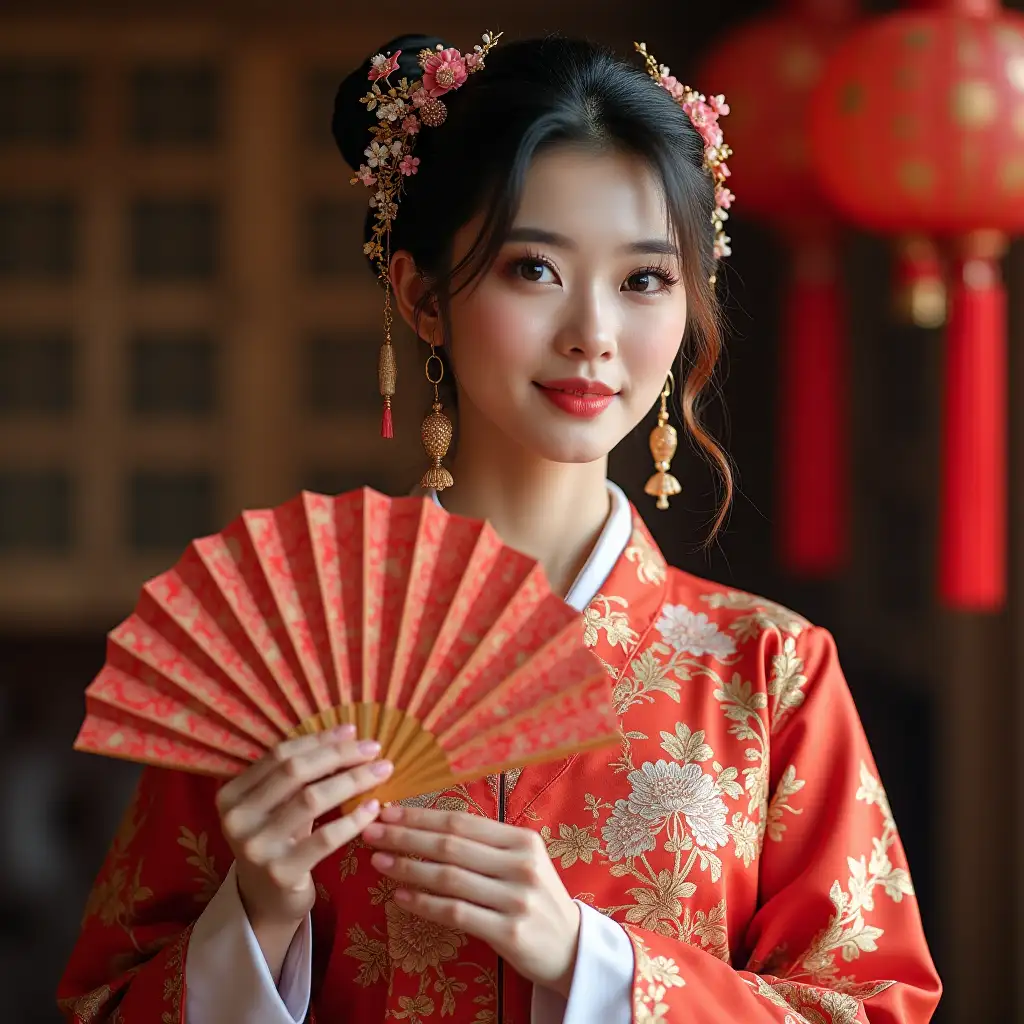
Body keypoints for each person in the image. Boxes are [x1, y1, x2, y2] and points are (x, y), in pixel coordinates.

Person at [57, 31, 940, 1024]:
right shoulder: (272, 654)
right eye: (533, 269)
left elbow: (869, 1006)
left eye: (644, 279)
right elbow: (104, 1005)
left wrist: (590, 961)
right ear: (422, 296)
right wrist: (256, 919)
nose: (594, 333)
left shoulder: (768, 671)